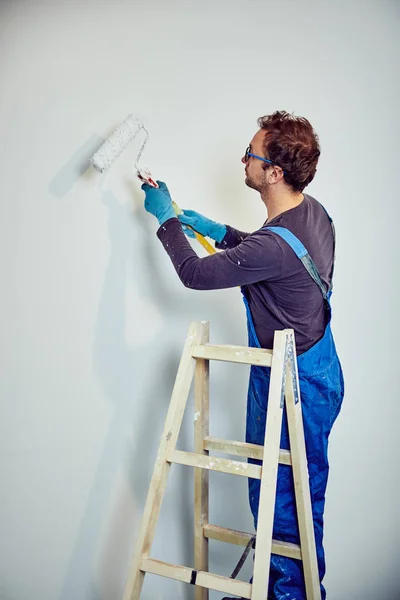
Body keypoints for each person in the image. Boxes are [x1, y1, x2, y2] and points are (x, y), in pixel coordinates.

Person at [141, 110, 344, 600]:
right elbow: (269, 253)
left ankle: (290, 595)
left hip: (292, 384)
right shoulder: (310, 211)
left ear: (274, 172)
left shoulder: (274, 243)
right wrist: (210, 226)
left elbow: (194, 273)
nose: (243, 159)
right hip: (316, 368)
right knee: (290, 495)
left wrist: (166, 218)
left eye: (251, 155)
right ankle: (283, 589)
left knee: (284, 502)